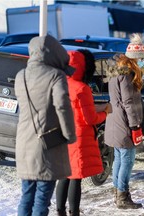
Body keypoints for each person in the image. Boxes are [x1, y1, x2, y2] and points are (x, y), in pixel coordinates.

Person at [14, 35, 76, 216]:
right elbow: (62, 107)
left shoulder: (20, 76)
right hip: (46, 145)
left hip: (24, 143)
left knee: (26, 195)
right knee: (42, 197)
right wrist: (69, 134)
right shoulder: (55, 76)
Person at [55, 50, 111, 216]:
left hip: (62, 134)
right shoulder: (82, 88)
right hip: (78, 138)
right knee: (76, 177)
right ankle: (74, 212)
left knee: (64, 175)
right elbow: (90, 119)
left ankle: (60, 211)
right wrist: (106, 112)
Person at [104, 33, 144, 209]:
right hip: (124, 123)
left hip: (115, 121)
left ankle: (118, 193)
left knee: (120, 160)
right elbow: (128, 102)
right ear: (136, 59)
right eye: (142, 59)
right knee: (127, 161)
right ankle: (122, 197)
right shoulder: (127, 75)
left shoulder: (118, 71)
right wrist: (135, 125)